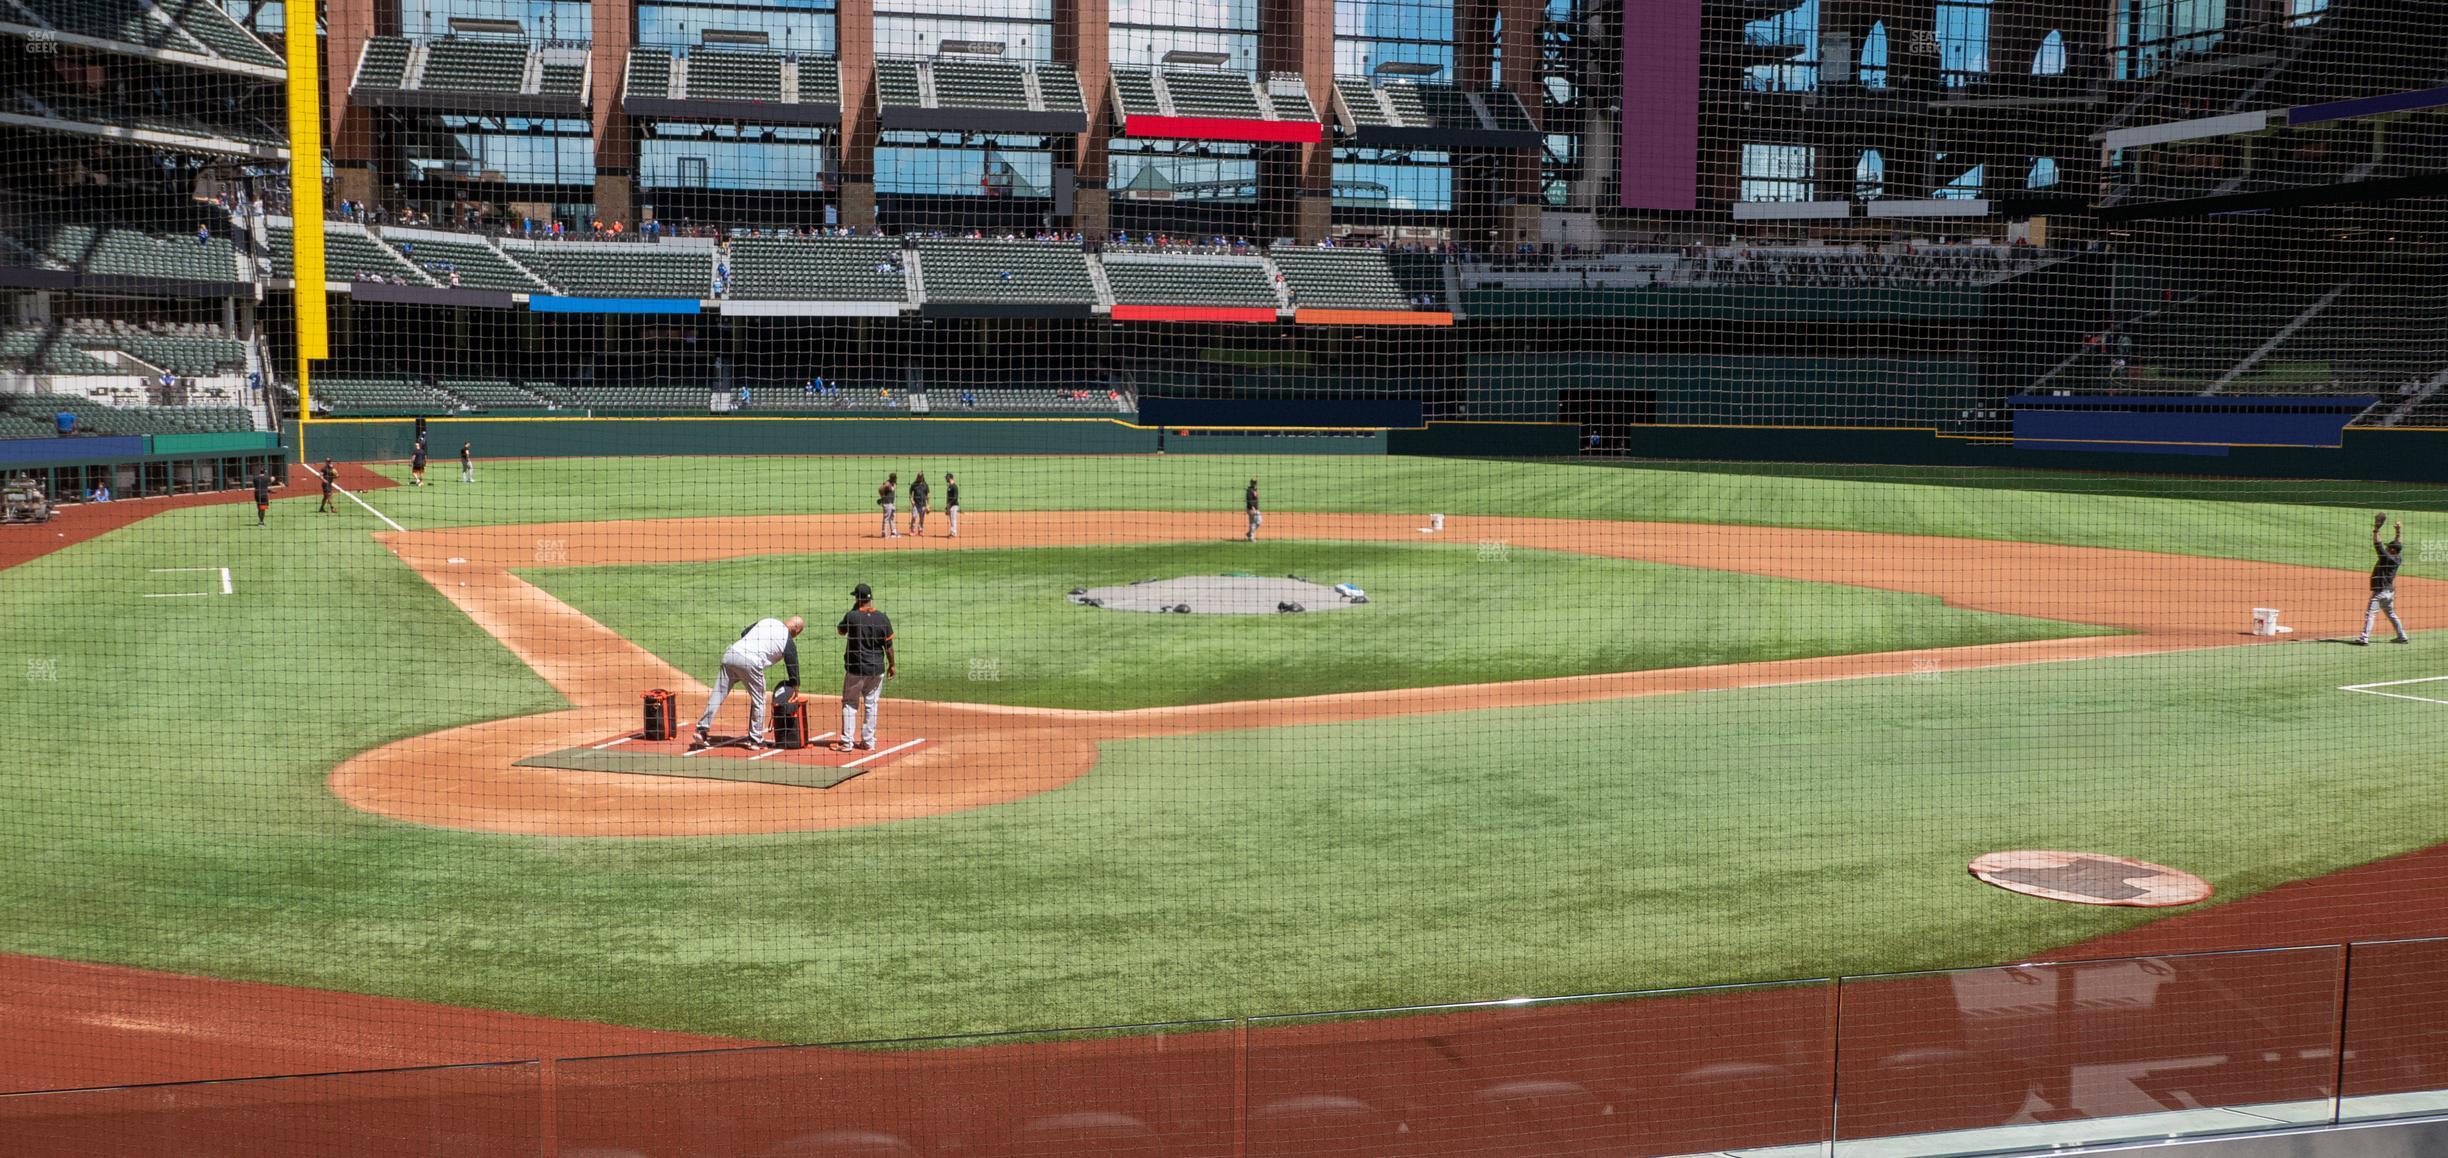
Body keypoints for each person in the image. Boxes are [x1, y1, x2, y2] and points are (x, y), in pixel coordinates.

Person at [689, 615, 805, 751]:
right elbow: (792, 666)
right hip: (750, 663)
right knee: (759, 700)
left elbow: (744, 633)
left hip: (731, 654)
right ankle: (756, 740)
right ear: (797, 631)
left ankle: (701, 729)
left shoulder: (768, 621)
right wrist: (795, 687)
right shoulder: (788, 640)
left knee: (718, 694)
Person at [834, 583, 895, 752]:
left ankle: (847, 742)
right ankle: (868, 742)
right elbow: (888, 646)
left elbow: (840, 631)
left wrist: (854, 609)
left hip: (855, 669)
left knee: (849, 703)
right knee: (871, 704)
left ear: (857, 599)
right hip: (876, 670)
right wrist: (892, 665)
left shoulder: (852, 616)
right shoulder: (882, 618)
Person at [2358, 514, 2413, 645]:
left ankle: (2364, 638)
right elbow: (2398, 544)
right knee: (2391, 614)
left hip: (2380, 592)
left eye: (2389, 547)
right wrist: (2398, 531)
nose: (2387, 547)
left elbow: (2377, 544)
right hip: (2390, 592)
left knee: (2370, 614)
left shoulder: (2386, 558)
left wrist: (2376, 530)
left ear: (2392, 550)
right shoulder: (2397, 557)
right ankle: (2402, 636)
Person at [878, 472, 899, 538]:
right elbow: (880, 489)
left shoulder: (893, 484)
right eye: (895, 478)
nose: (895, 479)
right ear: (892, 478)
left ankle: (893, 532)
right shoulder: (887, 483)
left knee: (891, 518)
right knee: (886, 518)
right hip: (887, 503)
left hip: (892, 503)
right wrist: (882, 497)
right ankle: (884, 533)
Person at [1244, 477, 1261, 542]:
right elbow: (1249, 499)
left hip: (1255, 509)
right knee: (1252, 523)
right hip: (1252, 509)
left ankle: (1249, 533)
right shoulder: (1249, 490)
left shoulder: (1254, 489)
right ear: (1251, 482)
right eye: (1253, 482)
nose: (1255, 483)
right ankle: (1251, 537)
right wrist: (1252, 507)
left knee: (1258, 521)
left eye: (1255, 482)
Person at [945, 472, 960, 537]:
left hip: (954, 505)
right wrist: (947, 506)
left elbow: (955, 498)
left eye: (946, 477)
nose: (945, 479)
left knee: (953, 519)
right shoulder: (949, 486)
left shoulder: (954, 486)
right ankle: (952, 532)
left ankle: (954, 533)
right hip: (950, 505)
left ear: (949, 478)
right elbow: (948, 497)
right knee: (951, 519)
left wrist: (949, 504)